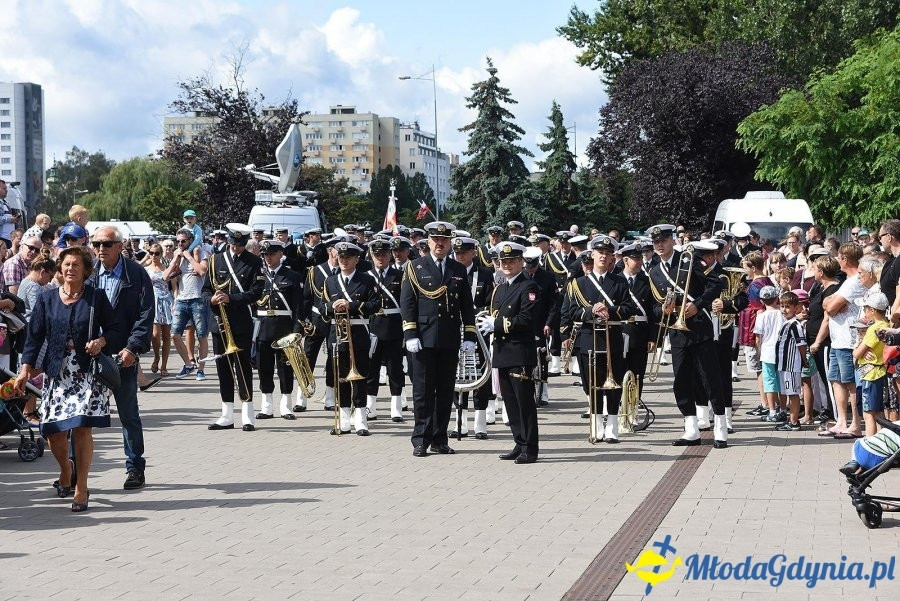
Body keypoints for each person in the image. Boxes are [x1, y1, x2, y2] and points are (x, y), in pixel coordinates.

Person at [15, 246, 122, 512]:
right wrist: (25, 368)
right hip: (56, 371)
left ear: (86, 270)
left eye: (76, 265)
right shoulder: (47, 298)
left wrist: (101, 340)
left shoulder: (96, 297)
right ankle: (66, 468)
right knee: (53, 430)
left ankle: (81, 487)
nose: (70, 268)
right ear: (59, 269)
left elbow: (116, 328)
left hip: (85, 371)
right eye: (66, 264)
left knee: (83, 428)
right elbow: (34, 336)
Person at [400, 221, 477, 457]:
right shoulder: (415, 267)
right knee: (423, 391)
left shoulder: (457, 268)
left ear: (450, 242)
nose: (440, 244)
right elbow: (408, 302)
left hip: (449, 337)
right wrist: (410, 333)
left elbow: (466, 304)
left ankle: (440, 438)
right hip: (423, 338)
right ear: (429, 241)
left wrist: (470, 335)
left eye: (444, 240)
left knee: (445, 391)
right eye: (435, 239)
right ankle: (420, 439)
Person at [87, 226, 155, 489]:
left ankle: (135, 468)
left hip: (124, 355)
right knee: (83, 416)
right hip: (93, 354)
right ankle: (75, 470)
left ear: (120, 245)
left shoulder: (136, 274)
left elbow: (145, 315)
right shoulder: (89, 273)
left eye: (106, 244)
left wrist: (132, 348)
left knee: (128, 414)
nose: (100, 249)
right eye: (96, 244)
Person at [646, 226, 727, 447]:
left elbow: (715, 284)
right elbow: (653, 305)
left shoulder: (689, 259)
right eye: (655, 243)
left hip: (699, 328)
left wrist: (698, 305)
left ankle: (720, 427)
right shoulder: (653, 272)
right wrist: (663, 310)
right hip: (677, 330)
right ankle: (691, 428)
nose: (659, 246)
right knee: (682, 380)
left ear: (672, 241)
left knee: (709, 378)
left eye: (663, 241)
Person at [562, 235, 637, 443]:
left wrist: (609, 310)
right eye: (600, 253)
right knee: (591, 384)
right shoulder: (578, 283)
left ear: (612, 257)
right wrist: (590, 311)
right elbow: (570, 312)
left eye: (607, 254)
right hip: (588, 339)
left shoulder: (620, 282)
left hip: (612, 338)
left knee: (613, 386)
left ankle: (612, 427)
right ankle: (596, 426)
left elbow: (629, 309)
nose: (603, 257)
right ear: (592, 254)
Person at [479, 242, 542, 463]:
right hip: (503, 351)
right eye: (503, 262)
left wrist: (496, 324)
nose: (507, 265)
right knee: (510, 402)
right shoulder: (501, 287)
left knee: (524, 403)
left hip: (520, 352)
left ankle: (530, 449)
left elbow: (526, 320)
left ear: (521, 262)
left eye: (511, 261)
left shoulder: (529, 287)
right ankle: (519, 442)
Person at [204, 223, 264, 431]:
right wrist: (211, 299)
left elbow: (256, 292)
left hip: (241, 321)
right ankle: (226, 415)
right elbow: (205, 290)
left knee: (243, 368)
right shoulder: (214, 261)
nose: (236, 248)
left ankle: (248, 414)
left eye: (240, 244)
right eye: (233, 243)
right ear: (228, 240)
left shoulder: (255, 262)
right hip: (219, 322)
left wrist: (231, 298)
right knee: (224, 369)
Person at [320, 241, 380, 434]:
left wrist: (351, 306)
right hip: (337, 334)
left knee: (360, 375)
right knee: (341, 377)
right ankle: (344, 418)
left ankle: (361, 418)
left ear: (356, 259)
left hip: (359, 333)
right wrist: (332, 307)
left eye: (348, 258)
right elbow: (321, 308)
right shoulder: (330, 281)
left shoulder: (367, 280)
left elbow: (374, 305)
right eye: (341, 257)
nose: (344, 261)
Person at [254, 240, 305, 421]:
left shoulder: (292, 276)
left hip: (284, 326)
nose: (268, 258)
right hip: (263, 326)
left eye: (271, 254)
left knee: (285, 367)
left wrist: (297, 331)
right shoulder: (258, 275)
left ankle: (286, 405)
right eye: (265, 255)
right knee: (264, 368)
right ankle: (266, 406)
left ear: (280, 254)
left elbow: (299, 306)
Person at [822, 243, 867, 438]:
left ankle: (856, 424)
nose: (837, 260)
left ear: (845, 259)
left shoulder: (856, 280)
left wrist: (831, 303)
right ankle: (841, 420)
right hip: (837, 339)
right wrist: (831, 303)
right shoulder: (847, 281)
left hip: (848, 340)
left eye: (839, 257)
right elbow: (827, 303)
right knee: (836, 379)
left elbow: (831, 308)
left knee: (850, 383)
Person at [364, 238, 406, 423]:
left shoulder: (400, 276)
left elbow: (406, 303)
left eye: (383, 254)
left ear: (389, 255)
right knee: (371, 369)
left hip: (393, 326)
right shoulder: (366, 276)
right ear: (372, 256)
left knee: (394, 368)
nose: (380, 258)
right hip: (372, 325)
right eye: (377, 255)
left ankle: (396, 408)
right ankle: (370, 407)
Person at [165, 228, 210, 380]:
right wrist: (176, 260)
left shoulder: (201, 253)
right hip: (182, 300)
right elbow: (166, 277)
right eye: (178, 241)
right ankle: (188, 364)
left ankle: (201, 369)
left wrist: (189, 257)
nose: (180, 244)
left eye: (183, 241)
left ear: (190, 240)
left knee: (202, 335)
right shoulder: (178, 256)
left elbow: (202, 271)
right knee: (175, 335)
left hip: (198, 299)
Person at [853, 292, 890, 436]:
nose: (864, 312)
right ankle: (882, 444)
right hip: (879, 372)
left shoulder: (874, 328)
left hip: (871, 374)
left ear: (873, 310)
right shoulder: (887, 325)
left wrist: (859, 350)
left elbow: (856, 353)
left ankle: (870, 444)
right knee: (879, 413)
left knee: (869, 413)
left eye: (865, 308)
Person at [773, 291, 807, 431]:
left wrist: (804, 360)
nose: (784, 310)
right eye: (782, 306)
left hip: (792, 365)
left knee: (793, 393)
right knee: (787, 392)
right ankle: (790, 418)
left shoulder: (795, 325)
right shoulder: (786, 324)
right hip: (783, 365)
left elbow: (801, 344)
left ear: (796, 308)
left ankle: (794, 421)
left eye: (787, 307)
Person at [754, 286, 787, 422]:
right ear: (777, 299)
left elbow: (758, 337)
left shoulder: (761, 316)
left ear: (762, 301)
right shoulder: (782, 314)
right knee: (782, 382)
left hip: (767, 352)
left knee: (770, 382)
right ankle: (784, 409)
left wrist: (758, 351)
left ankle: (772, 410)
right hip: (782, 351)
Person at [145, 243, 173, 376]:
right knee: (155, 335)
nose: (153, 255)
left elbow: (174, 286)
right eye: (151, 253)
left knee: (167, 335)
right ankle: (156, 357)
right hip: (153, 301)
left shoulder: (166, 268)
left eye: (156, 253)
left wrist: (175, 302)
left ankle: (164, 366)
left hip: (166, 300)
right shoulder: (146, 269)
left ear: (161, 254)